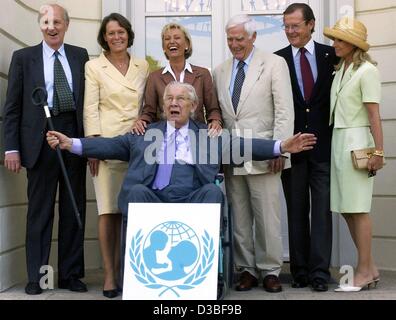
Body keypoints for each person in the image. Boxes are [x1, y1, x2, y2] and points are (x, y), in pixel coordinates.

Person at [47, 82, 315, 217]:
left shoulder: (208, 135)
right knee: (137, 191)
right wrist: (71, 143)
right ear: (163, 106)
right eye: (169, 99)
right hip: (154, 198)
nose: (174, 103)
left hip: (192, 198)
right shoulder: (146, 133)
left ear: (193, 106)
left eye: (181, 99)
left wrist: (281, 145)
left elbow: (241, 145)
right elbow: (112, 144)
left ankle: (204, 274)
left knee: (212, 191)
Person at [2, 4, 89, 295]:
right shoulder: (23, 58)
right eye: (46, 22)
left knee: (73, 208)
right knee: (39, 213)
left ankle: (70, 274)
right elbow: (12, 108)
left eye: (57, 22)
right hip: (38, 143)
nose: (51, 27)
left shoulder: (80, 56)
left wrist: (89, 145)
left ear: (66, 25)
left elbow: (87, 105)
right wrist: (11, 148)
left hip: (72, 138)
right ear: (40, 25)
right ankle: (38, 277)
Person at [213, 14, 294, 293]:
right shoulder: (220, 70)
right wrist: (220, 156)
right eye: (230, 39)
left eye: (239, 39)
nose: (234, 44)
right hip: (234, 156)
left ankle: (270, 270)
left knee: (268, 216)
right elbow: (221, 118)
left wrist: (280, 150)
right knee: (240, 217)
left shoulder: (274, 64)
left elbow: (284, 110)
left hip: (265, 155)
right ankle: (246, 270)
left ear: (253, 37)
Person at [83, 13, 149, 298]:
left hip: (137, 147)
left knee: (133, 210)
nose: (117, 37)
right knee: (108, 211)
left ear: (128, 34)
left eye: (121, 32)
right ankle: (110, 275)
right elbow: (90, 108)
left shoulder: (143, 65)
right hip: (108, 147)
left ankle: (131, 273)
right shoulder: (93, 66)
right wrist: (93, 147)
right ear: (104, 37)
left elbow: (149, 104)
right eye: (111, 33)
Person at [274, 3, 338, 292]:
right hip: (293, 149)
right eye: (286, 26)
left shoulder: (331, 55)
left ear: (310, 24)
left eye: (295, 26)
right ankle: (299, 271)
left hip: (324, 148)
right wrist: (281, 146)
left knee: (322, 212)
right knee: (296, 210)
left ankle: (319, 273)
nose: (290, 31)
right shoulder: (278, 60)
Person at [323, 17, 383, 292]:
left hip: (358, 141)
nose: (334, 44)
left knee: (358, 209)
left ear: (353, 44)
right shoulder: (343, 68)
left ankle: (364, 270)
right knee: (347, 210)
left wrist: (379, 152)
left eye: (340, 39)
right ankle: (369, 268)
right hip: (339, 140)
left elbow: (374, 114)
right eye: (334, 39)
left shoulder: (367, 70)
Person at [132, 22, 222, 135]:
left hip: (197, 136)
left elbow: (213, 109)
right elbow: (149, 111)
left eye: (177, 37)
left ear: (187, 45)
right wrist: (142, 121)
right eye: (167, 39)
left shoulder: (203, 74)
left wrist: (215, 121)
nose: (171, 41)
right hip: (165, 137)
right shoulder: (154, 77)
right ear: (164, 47)